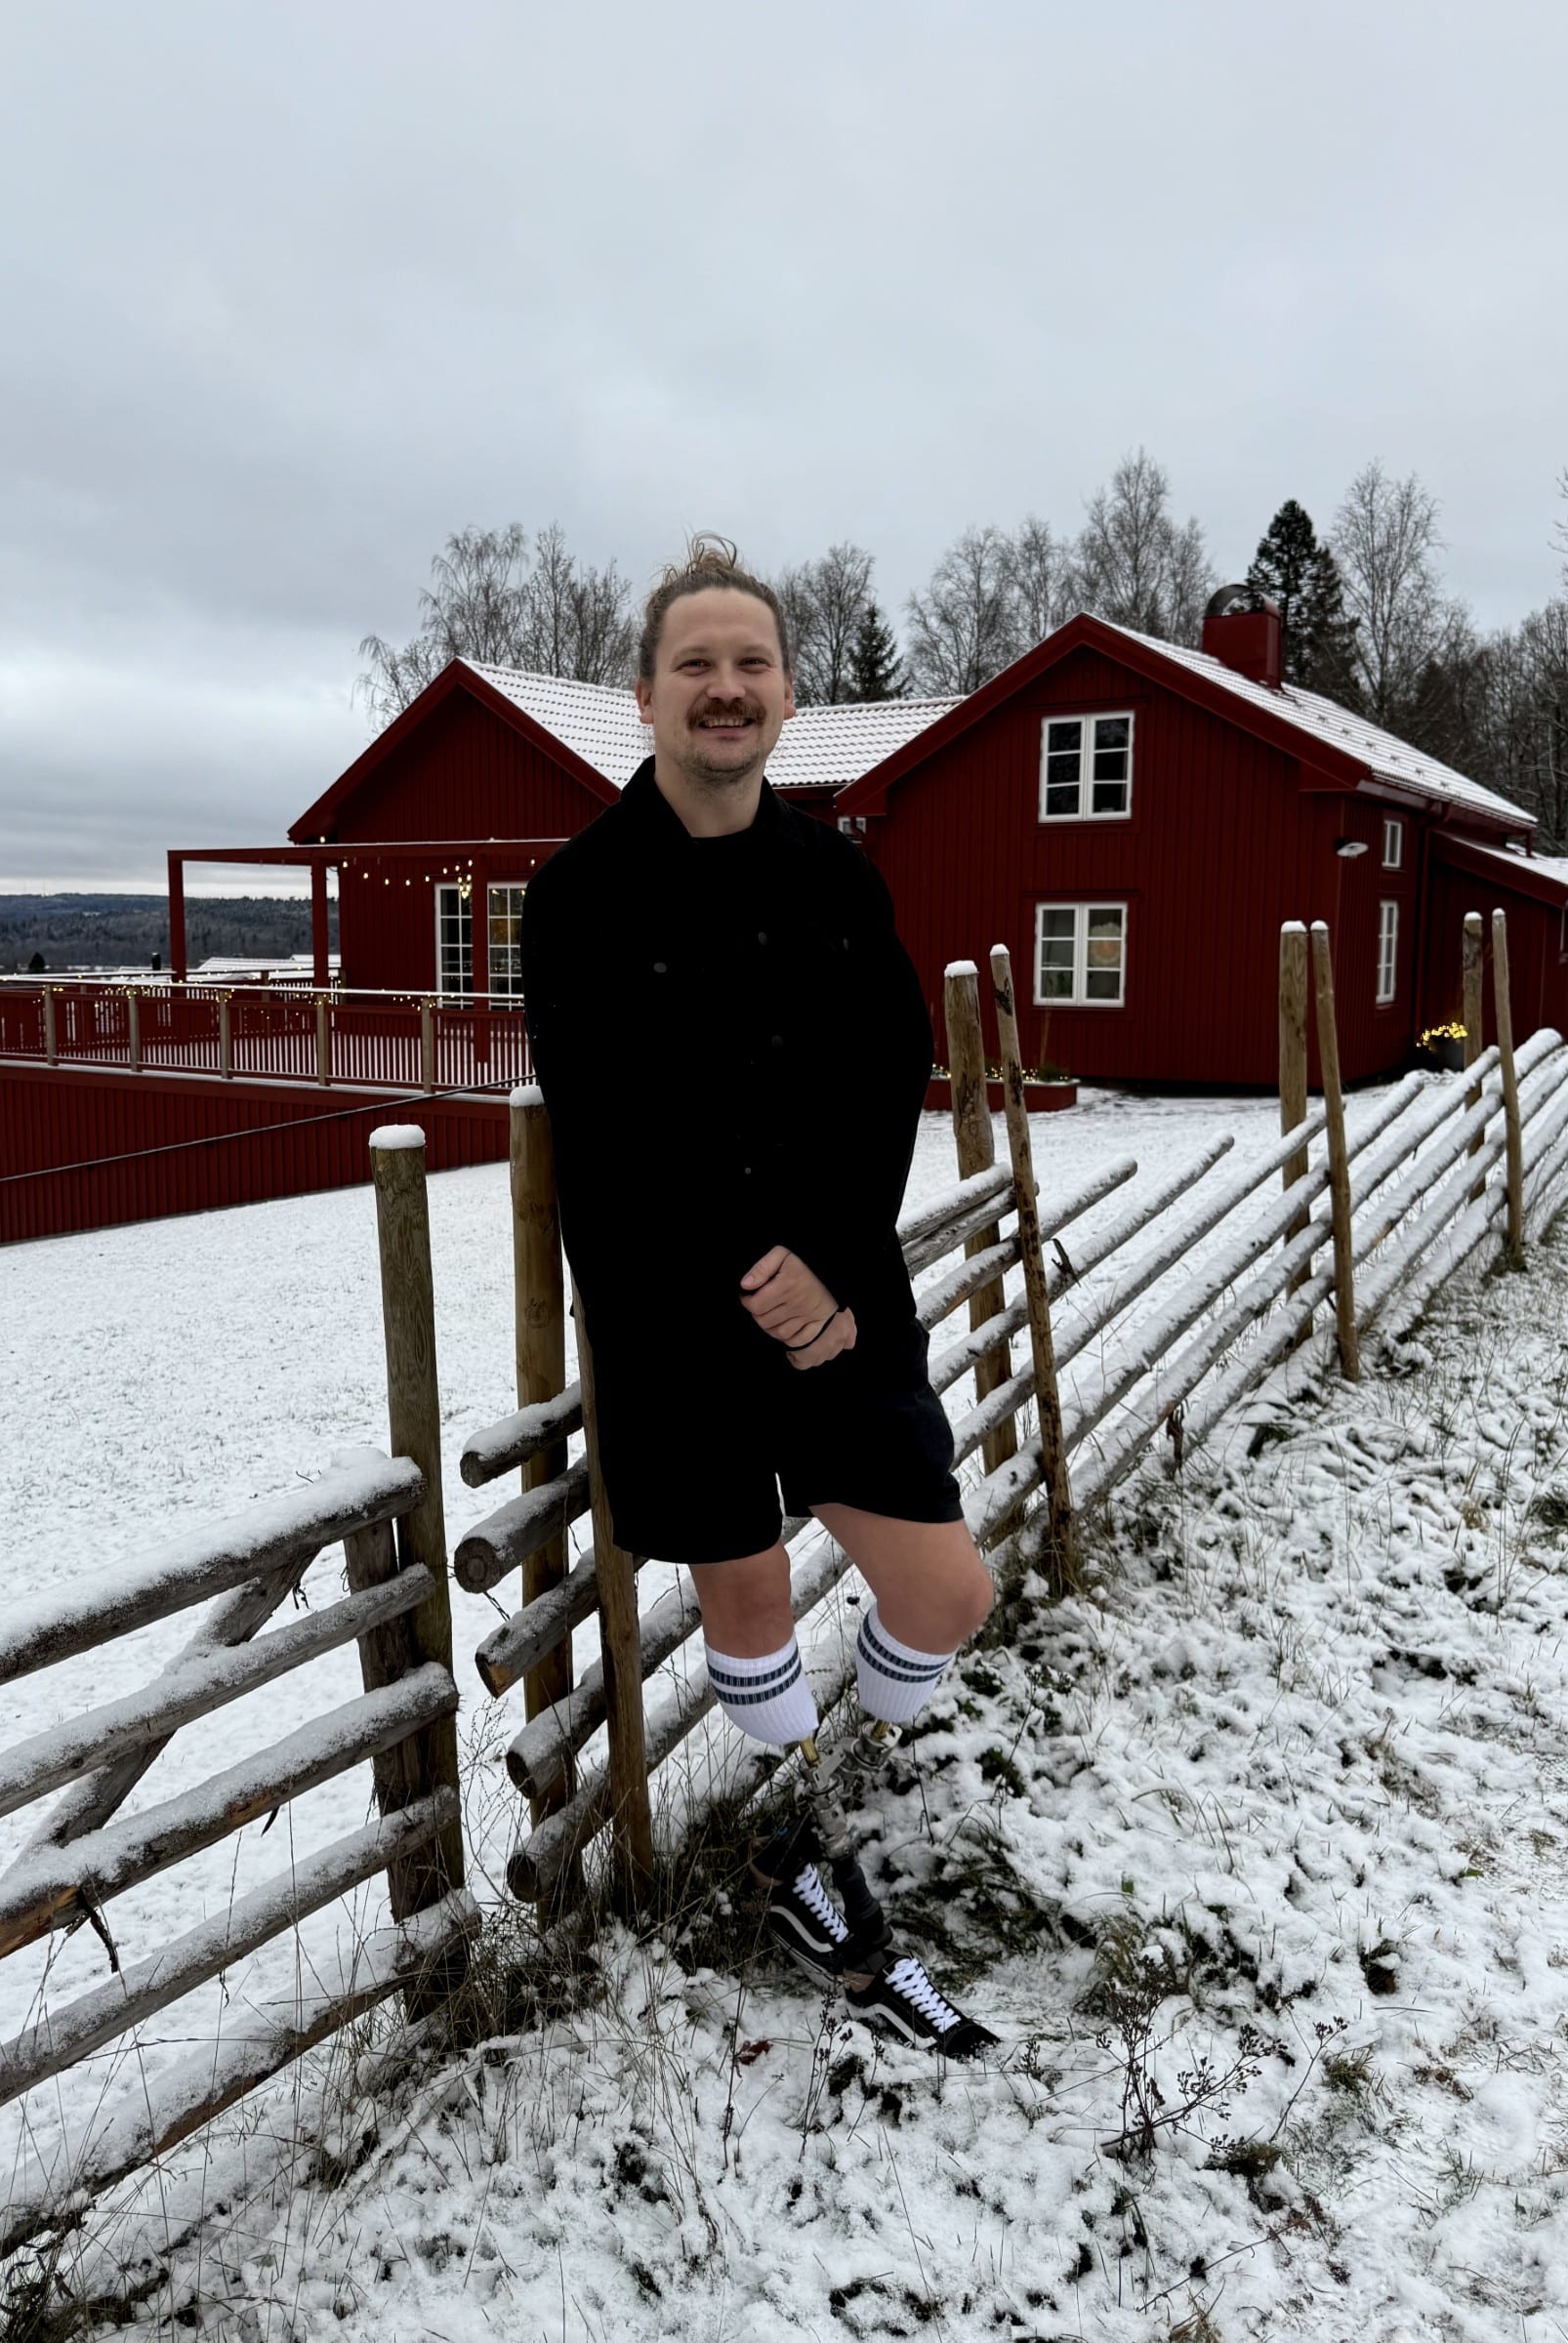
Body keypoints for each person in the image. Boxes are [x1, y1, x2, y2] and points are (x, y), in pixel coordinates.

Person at [521, 536, 996, 2057]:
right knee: (746, 1599)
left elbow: (885, 1077)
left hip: (840, 1293)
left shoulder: (834, 875)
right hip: (671, 1315)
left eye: (752, 666)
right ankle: (802, 1864)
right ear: (645, 695)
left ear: (787, 695)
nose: (726, 691)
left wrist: (830, 1269)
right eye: (696, 666)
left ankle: (833, 1792)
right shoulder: (578, 896)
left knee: (944, 1593)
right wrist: (756, 1278)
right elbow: (612, 1124)